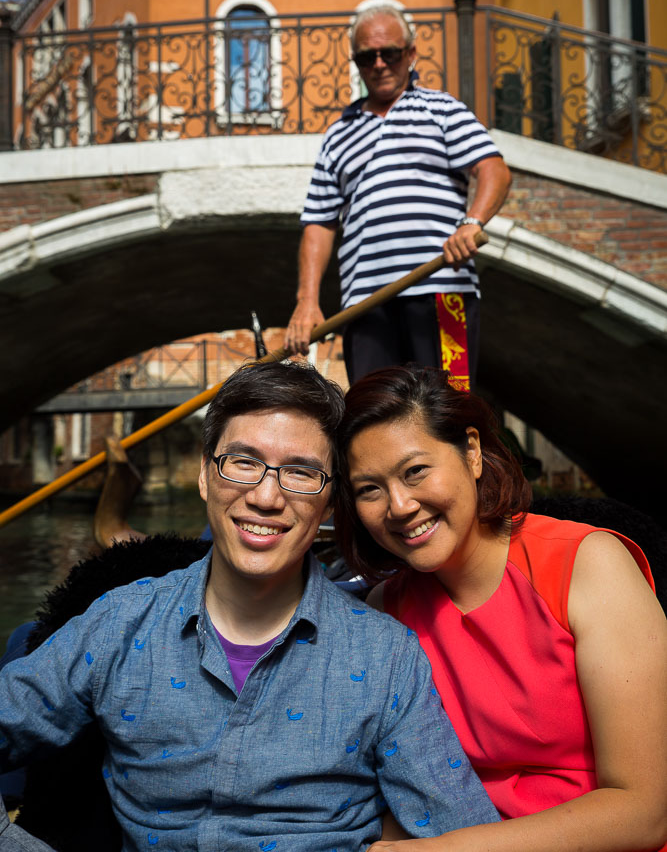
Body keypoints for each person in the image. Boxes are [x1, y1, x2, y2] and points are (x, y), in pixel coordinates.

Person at [0, 361, 500, 852]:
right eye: (242, 462)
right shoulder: (120, 623)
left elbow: (458, 828)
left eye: (301, 472)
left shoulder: (386, 657)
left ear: (329, 504)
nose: (265, 497)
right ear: (204, 475)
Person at [334, 365, 667, 852]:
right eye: (370, 489)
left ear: (471, 452)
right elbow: (398, 785)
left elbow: (646, 812)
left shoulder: (588, 564)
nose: (399, 506)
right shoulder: (388, 607)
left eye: (415, 471)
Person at [285, 5, 512, 389]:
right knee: (374, 421)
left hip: (443, 293)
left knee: (446, 412)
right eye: (366, 56)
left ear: (410, 53)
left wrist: (471, 223)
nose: (378, 64)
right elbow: (319, 224)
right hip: (365, 305)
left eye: (389, 53)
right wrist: (307, 301)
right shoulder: (337, 135)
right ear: (355, 62)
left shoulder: (443, 110)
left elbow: (494, 170)